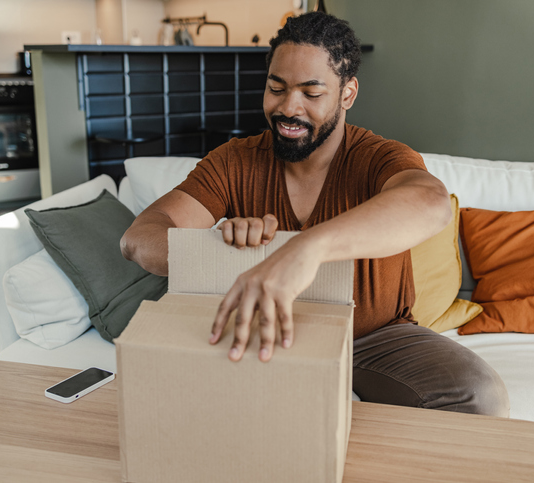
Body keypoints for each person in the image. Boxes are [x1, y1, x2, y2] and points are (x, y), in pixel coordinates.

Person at [121, 11, 509, 417]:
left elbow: (429, 203)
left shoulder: (379, 157)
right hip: (260, 333)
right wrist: (223, 244)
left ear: (347, 93)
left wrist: (305, 248)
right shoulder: (234, 160)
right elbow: (139, 238)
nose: (289, 108)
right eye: (276, 88)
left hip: (373, 339)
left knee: (479, 394)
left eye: (311, 92)